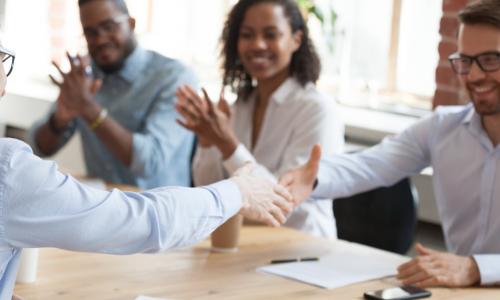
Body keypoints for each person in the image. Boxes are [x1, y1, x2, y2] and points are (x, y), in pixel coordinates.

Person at [0, 43, 294, 299]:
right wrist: (237, 192)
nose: (4, 84)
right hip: (158, 232)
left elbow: (149, 161)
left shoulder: (171, 76)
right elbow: (144, 221)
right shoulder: (9, 169)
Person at [280, 0, 500, 288]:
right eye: (466, 61)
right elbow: (373, 163)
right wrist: (312, 179)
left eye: (491, 60)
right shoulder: (443, 129)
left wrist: (476, 268)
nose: (473, 75)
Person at [175, 0, 344, 238]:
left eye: (271, 34)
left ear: (296, 39)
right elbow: (212, 191)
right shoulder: (241, 106)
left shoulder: (317, 110)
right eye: (247, 35)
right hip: (246, 244)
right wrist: (207, 140)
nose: (257, 45)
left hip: (302, 251)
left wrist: (227, 144)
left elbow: (284, 202)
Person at [27, 0, 197, 189]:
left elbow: (151, 162)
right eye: (90, 32)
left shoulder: (174, 77)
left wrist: (88, 109)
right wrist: (59, 121)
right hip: (102, 208)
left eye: (108, 26)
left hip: (160, 212)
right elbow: (38, 148)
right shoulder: (84, 77)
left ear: (131, 24)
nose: (100, 39)